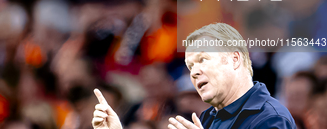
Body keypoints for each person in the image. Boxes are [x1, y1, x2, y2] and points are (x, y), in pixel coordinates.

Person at [91, 23, 296, 129]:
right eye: (190, 66)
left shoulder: (270, 118)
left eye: (203, 59)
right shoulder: (207, 118)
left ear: (235, 59)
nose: (194, 71)